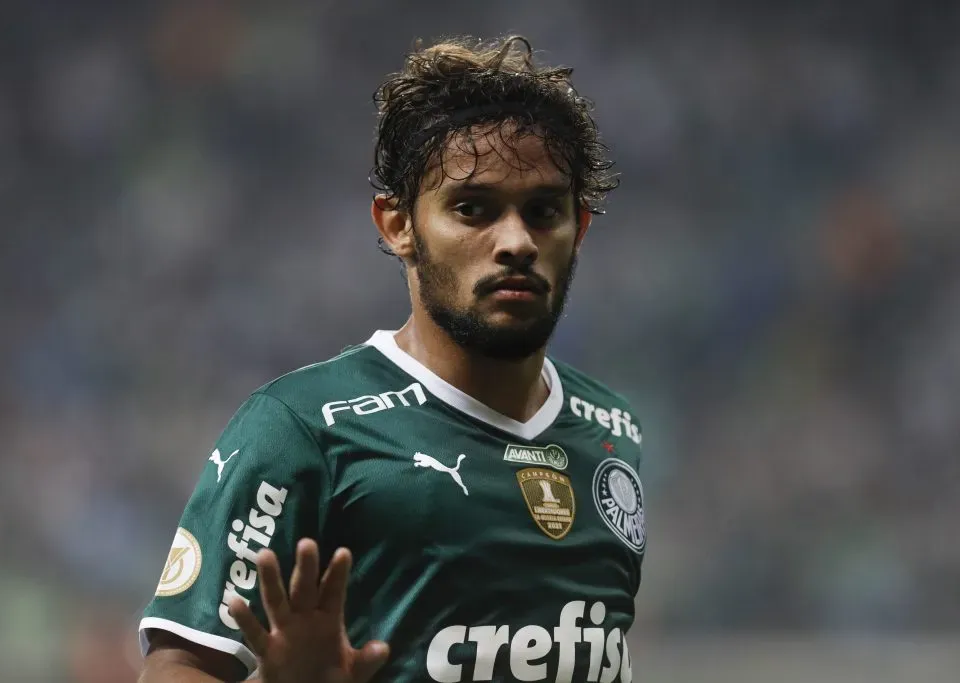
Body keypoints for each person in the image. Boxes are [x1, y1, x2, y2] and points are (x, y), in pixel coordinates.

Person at [138, 34, 645, 683]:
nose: (516, 240)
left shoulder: (613, 431)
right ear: (397, 224)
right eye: (473, 209)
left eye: (543, 211)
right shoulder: (302, 431)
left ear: (580, 226)